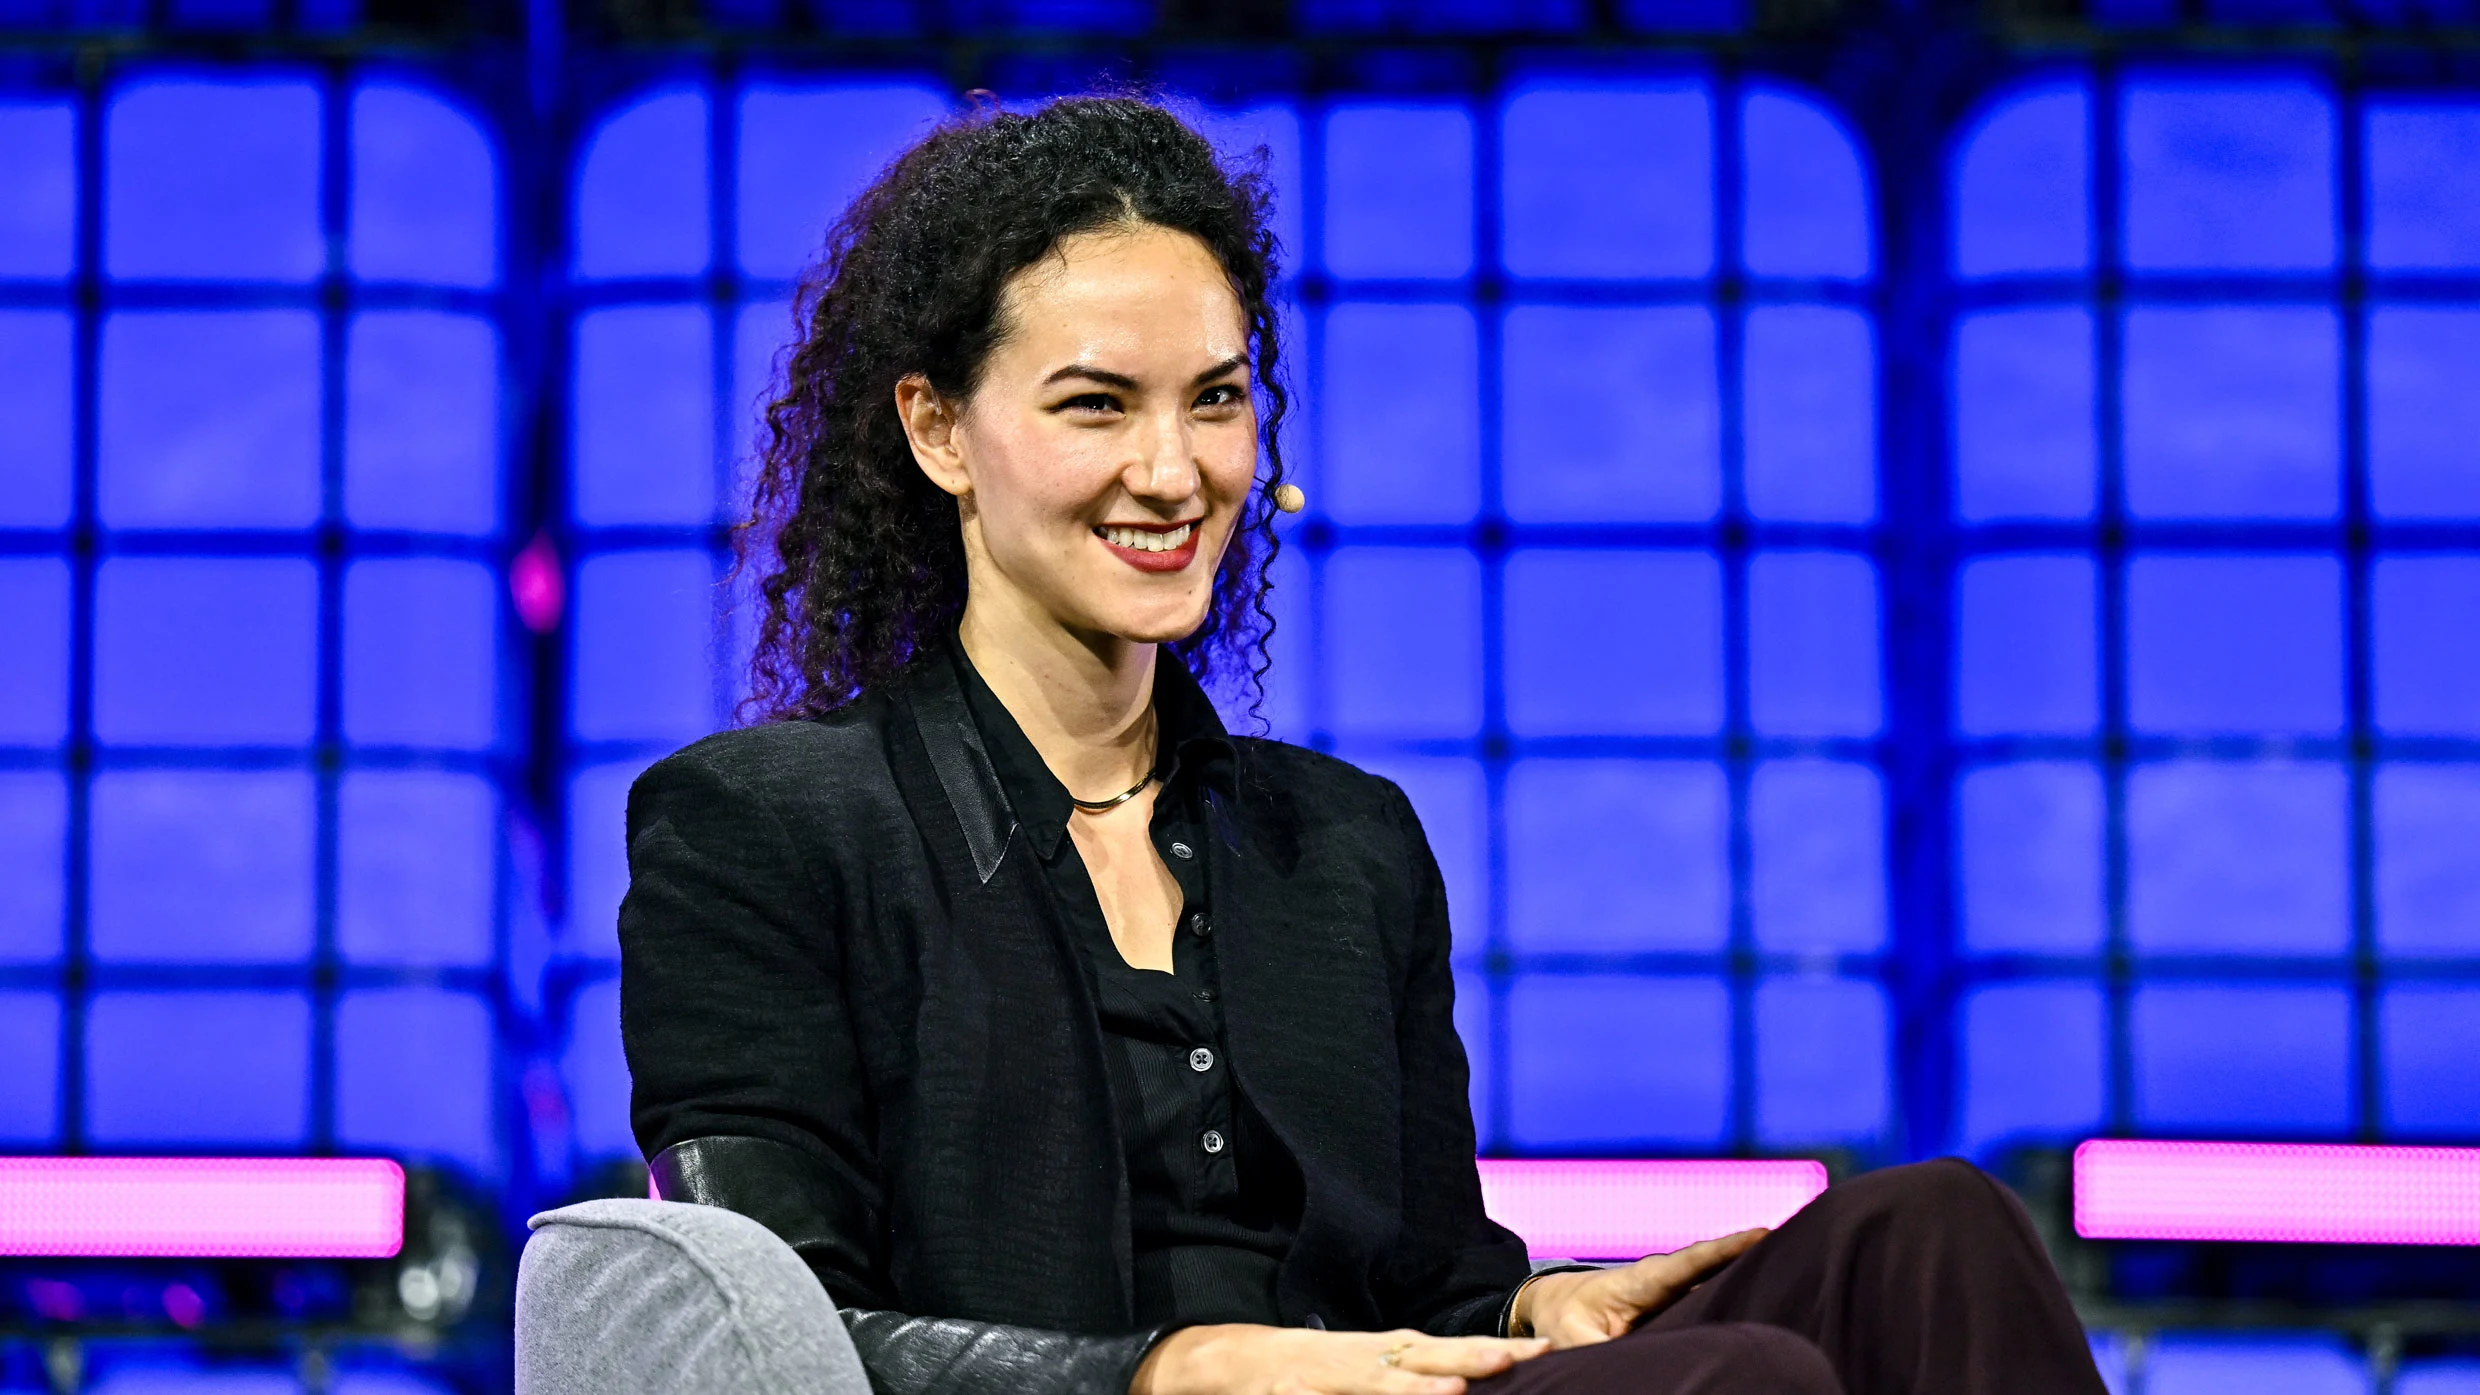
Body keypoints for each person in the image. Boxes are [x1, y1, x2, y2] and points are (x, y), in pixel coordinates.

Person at [616, 93, 2108, 1395]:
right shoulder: (762, 827)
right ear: (939, 431)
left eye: (1215, 400)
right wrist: (1167, 1367)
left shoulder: (1346, 845)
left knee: (1937, 1231)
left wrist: (1526, 1309)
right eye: (1096, 405)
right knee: (1749, 1383)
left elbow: (1431, 1285)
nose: (1172, 469)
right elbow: (771, 1336)